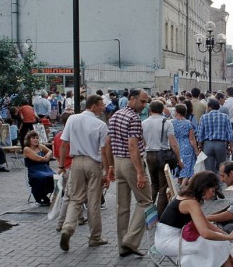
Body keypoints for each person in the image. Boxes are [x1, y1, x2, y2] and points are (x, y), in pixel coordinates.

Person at [155, 171, 233, 267]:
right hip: (167, 242)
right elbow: (205, 232)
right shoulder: (191, 203)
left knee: (221, 243)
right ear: (204, 188)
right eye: (213, 191)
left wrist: (226, 235)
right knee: (219, 244)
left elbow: (206, 223)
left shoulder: (188, 197)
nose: (213, 194)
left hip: (168, 237)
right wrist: (228, 237)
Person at [58, 94, 111, 251]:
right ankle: (95, 237)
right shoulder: (101, 125)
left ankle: (68, 227)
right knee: (93, 201)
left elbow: (64, 144)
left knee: (75, 198)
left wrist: (61, 165)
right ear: (93, 106)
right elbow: (104, 151)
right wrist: (106, 171)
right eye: (101, 105)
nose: (103, 108)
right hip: (93, 163)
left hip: (76, 162)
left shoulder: (72, 119)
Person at [109, 89, 154, 257]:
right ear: (132, 99)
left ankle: (123, 245)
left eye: (146, 102)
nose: (144, 105)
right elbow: (133, 146)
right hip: (130, 162)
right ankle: (131, 240)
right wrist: (140, 172)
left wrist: (111, 167)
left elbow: (109, 142)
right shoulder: (133, 118)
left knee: (122, 205)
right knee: (146, 201)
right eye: (142, 101)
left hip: (118, 160)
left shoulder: (116, 115)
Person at [142, 100, 183, 219]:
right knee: (163, 186)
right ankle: (161, 215)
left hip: (149, 154)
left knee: (153, 184)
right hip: (163, 155)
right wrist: (179, 160)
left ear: (150, 110)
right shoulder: (167, 122)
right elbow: (174, 144)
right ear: (162, 110)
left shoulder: (144, 123)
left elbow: (142, 141)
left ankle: (149, 212)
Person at [53, 112, 86, 232]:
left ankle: (81, 217)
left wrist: (61, 165)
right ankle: (60, 222)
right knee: (69, 196)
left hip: (63, 168)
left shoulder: (57, 137)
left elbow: (56, 154)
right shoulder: (74, 137)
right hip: (73, 167)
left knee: (75, 192)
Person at [196, 98, 233, 176]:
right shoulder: (225, 117)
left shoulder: (204, 117)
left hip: (208, 144)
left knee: (209, 168)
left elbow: (200, 134)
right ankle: (221, 181)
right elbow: (230, 134)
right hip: (221, 144)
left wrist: (200, 146)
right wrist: (231, 146)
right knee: (222, 166)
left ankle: (211, 183)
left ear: (210, 107)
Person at [23, 130, 55, 206]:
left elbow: (50, 151)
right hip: (34, 170)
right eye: (33, 138)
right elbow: (38, 159)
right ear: (29, 139)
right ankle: (40, 196)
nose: (36, 140)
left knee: (55, 177)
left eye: (37, 138)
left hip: (45, 168)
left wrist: (47, 155)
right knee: (42, 177)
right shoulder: (27, 149)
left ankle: (58, 194)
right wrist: (45, 158)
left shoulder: (40, 146)